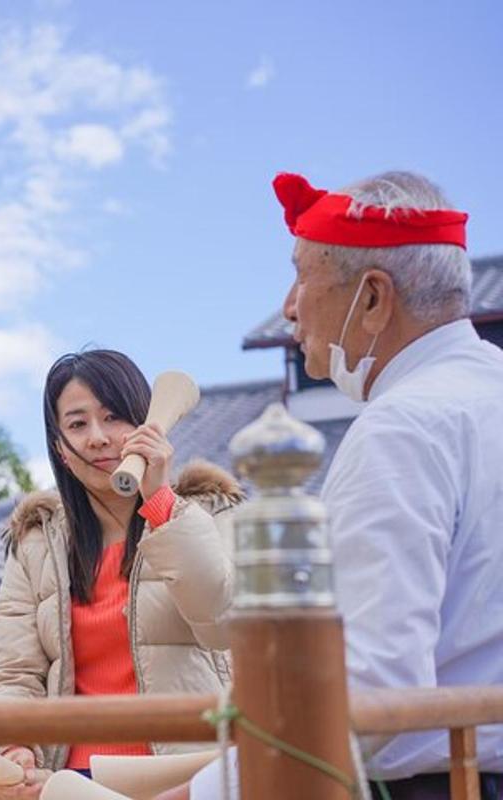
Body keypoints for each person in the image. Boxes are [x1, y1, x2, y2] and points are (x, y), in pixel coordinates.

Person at [178, 171, 503, 800]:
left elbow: (367, 686)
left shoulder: (404, 426)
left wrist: (201, 794)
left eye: (303, 276)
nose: (291, 305)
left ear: (374, 299)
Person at [0, 349, 243, 800]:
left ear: (147, 426)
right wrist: (15, 745)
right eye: (77, 425)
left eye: (115, 418)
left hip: (188, 774)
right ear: (60, 448)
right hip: (68, 782)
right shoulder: (36, 543)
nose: (99, 438)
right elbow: (13, 674)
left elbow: (224, 622)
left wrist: (160, 500)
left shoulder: (211, 513)